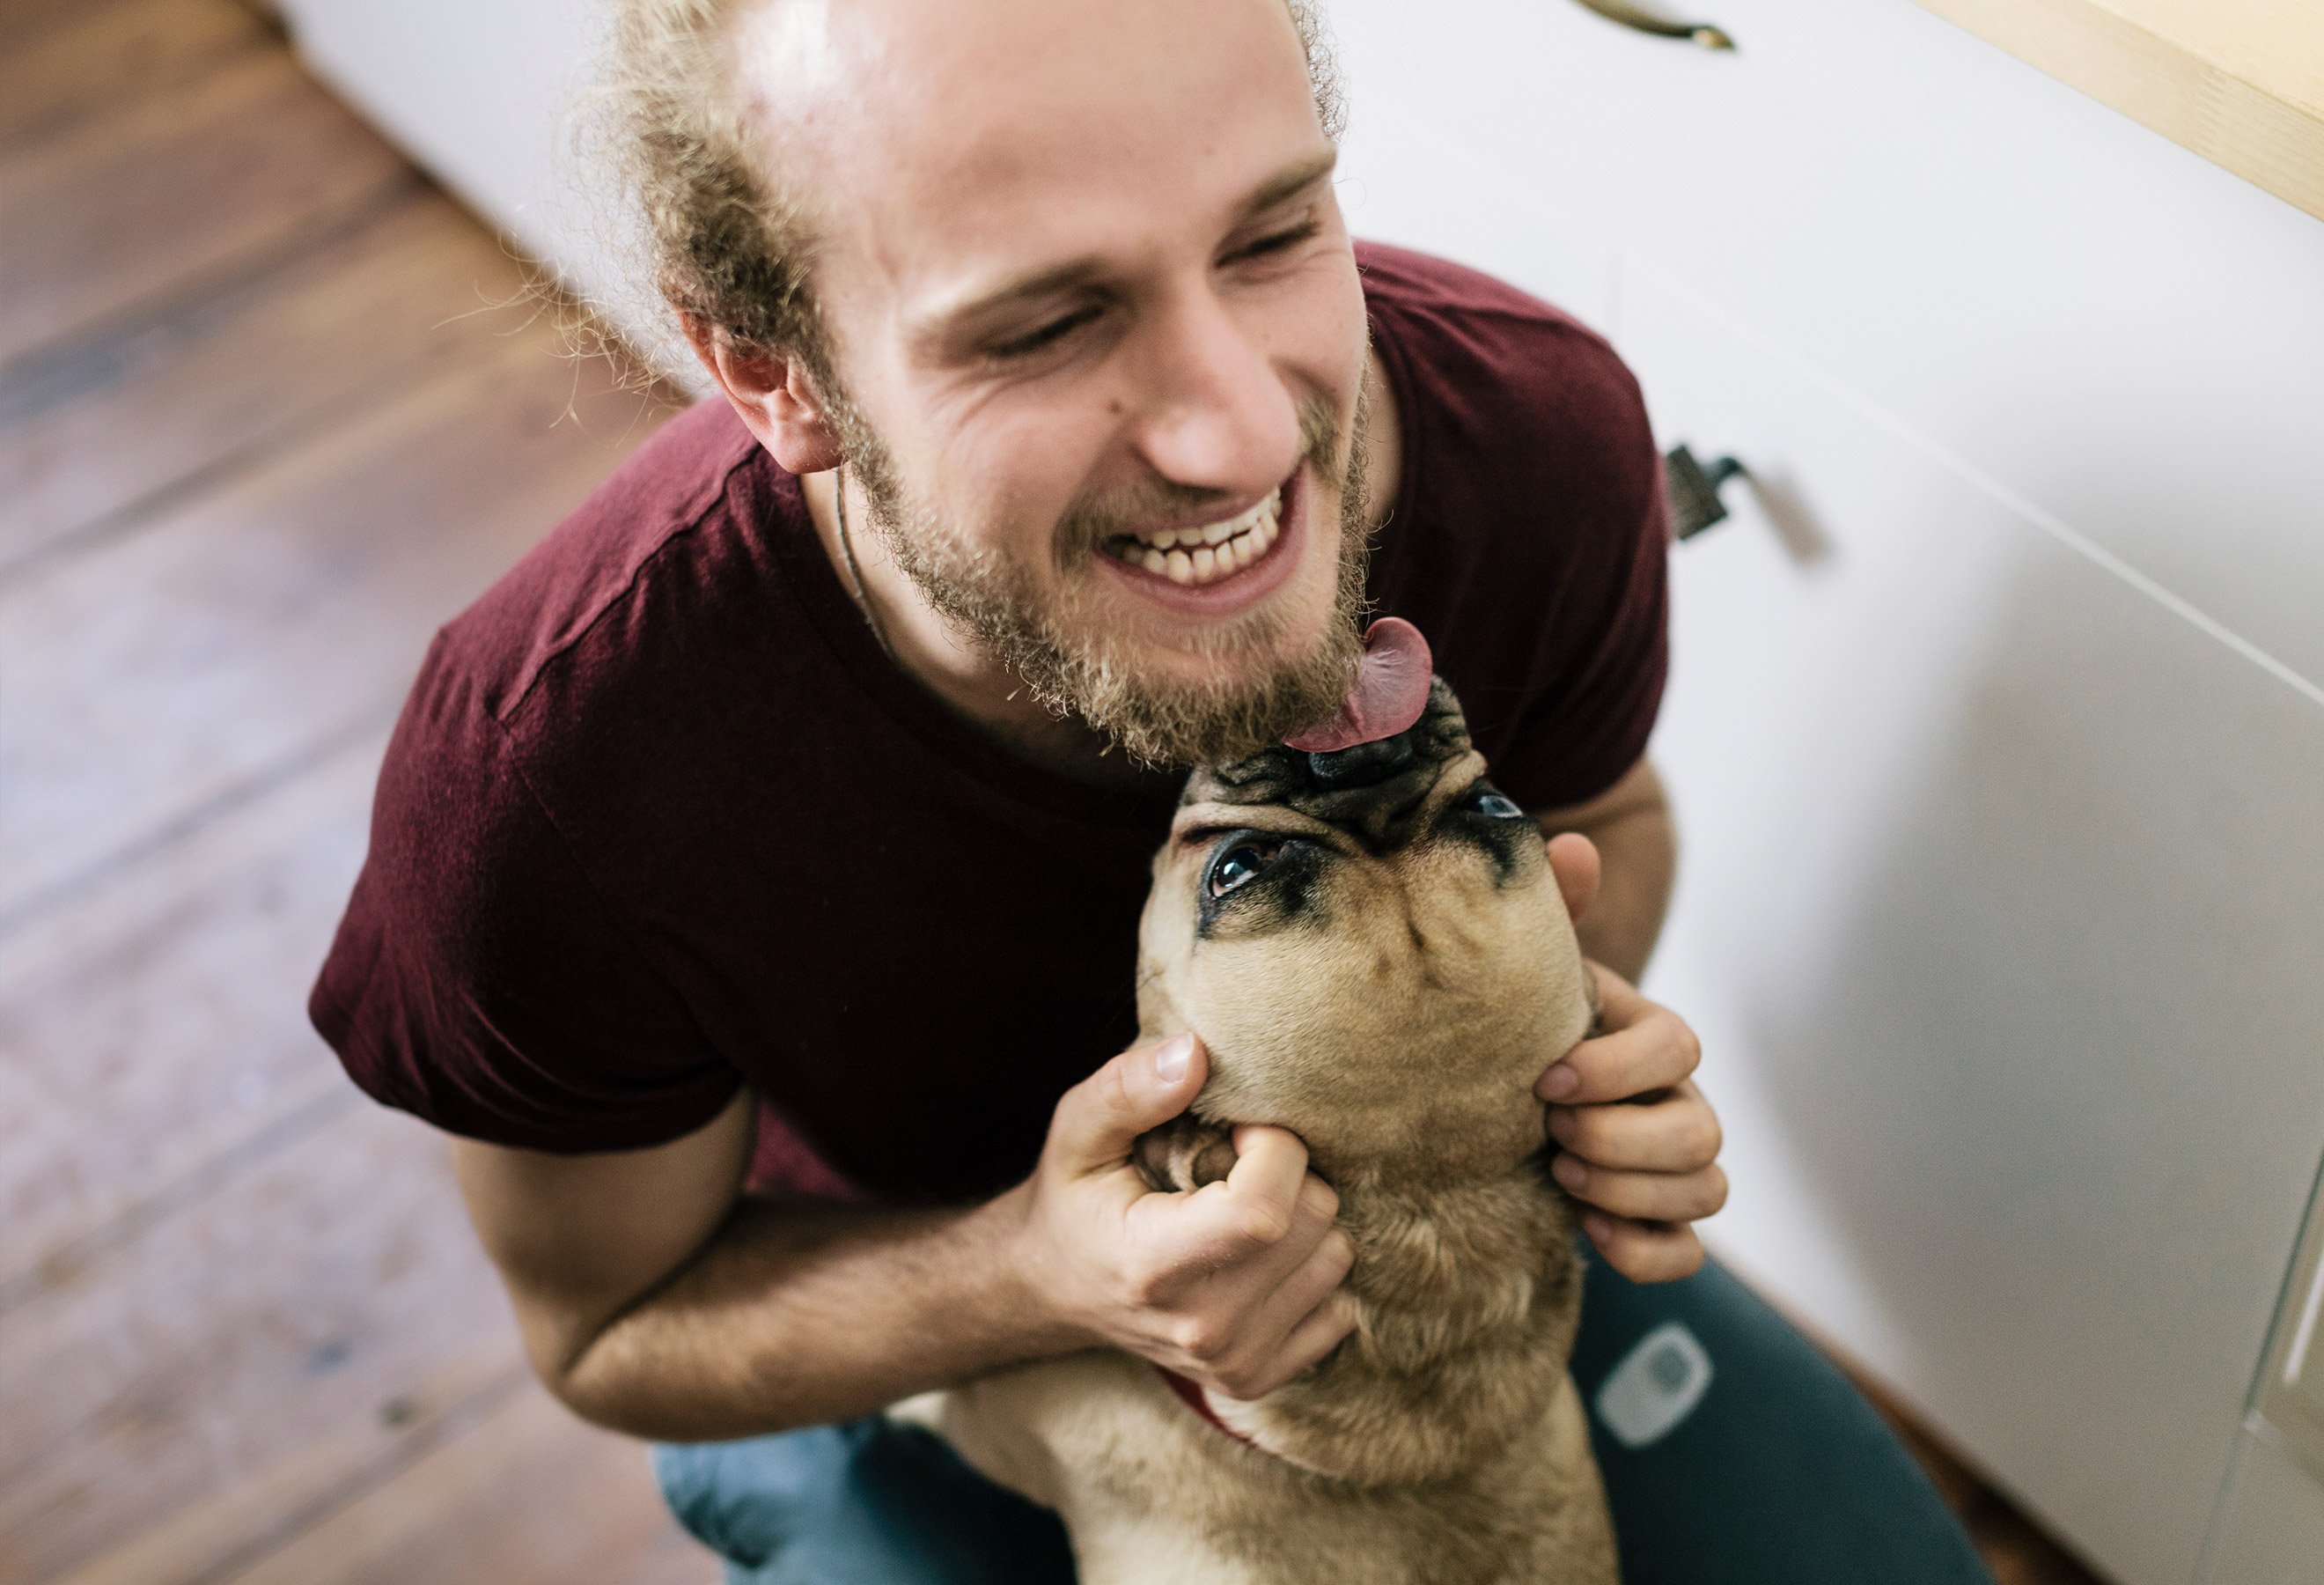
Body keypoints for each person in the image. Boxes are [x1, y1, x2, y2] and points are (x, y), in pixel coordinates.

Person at [311, 0, 1993, 1579]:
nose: (1247, 437)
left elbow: (1613, 821)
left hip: (1421, 1277)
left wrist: (1531, 1059)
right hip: (902, 1334)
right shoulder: (552, 774)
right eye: (1044, 325)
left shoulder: (1541, 439)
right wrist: (1032, 1278)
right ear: (778, 375)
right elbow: (611, 1328)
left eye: (1273, 236)